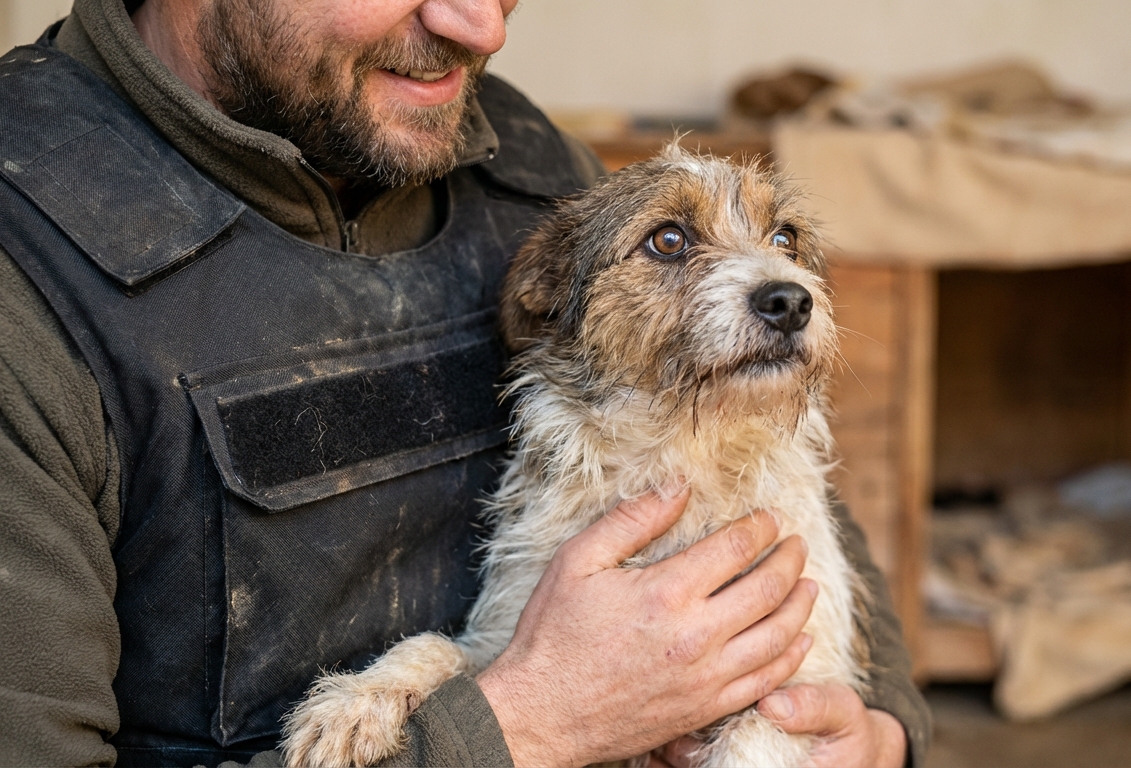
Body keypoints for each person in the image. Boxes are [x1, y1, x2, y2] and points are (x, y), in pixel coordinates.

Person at [0, 0, 931, 765]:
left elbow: (782, 478)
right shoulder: (29, 265)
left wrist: (882, 729)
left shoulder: (522, 160)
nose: (481, 26)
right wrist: (526, 722)